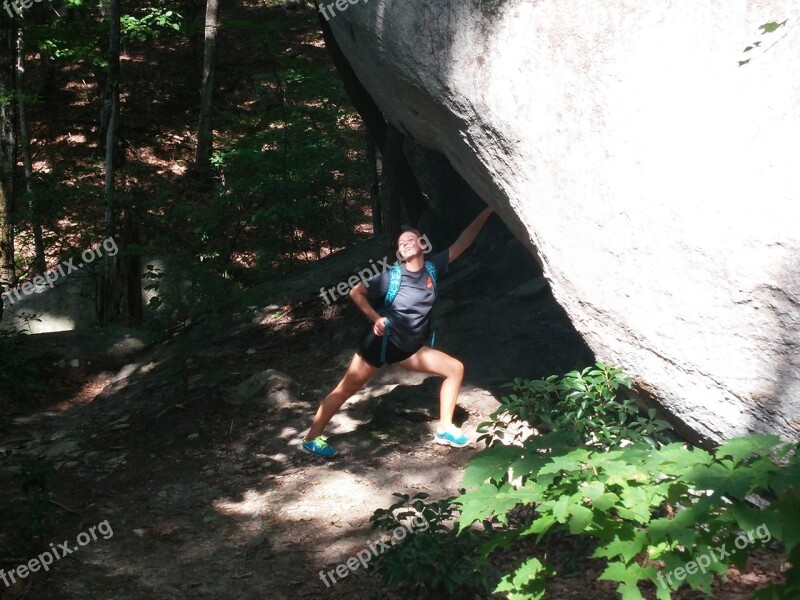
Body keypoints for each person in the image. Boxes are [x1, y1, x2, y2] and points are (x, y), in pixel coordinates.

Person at [302, 207, 495, 457]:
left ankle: (445, 428)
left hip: (409, 349)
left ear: (422, 245)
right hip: (379, 345)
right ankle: (311, 438)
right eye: (401, 242)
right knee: (346, 389)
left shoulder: (433, 268)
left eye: (410, 239)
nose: (404, 243)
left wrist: (489, 209)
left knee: (455, 369)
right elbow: (354, 292)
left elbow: (464, 240)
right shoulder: (389, 277)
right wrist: (375, 318)